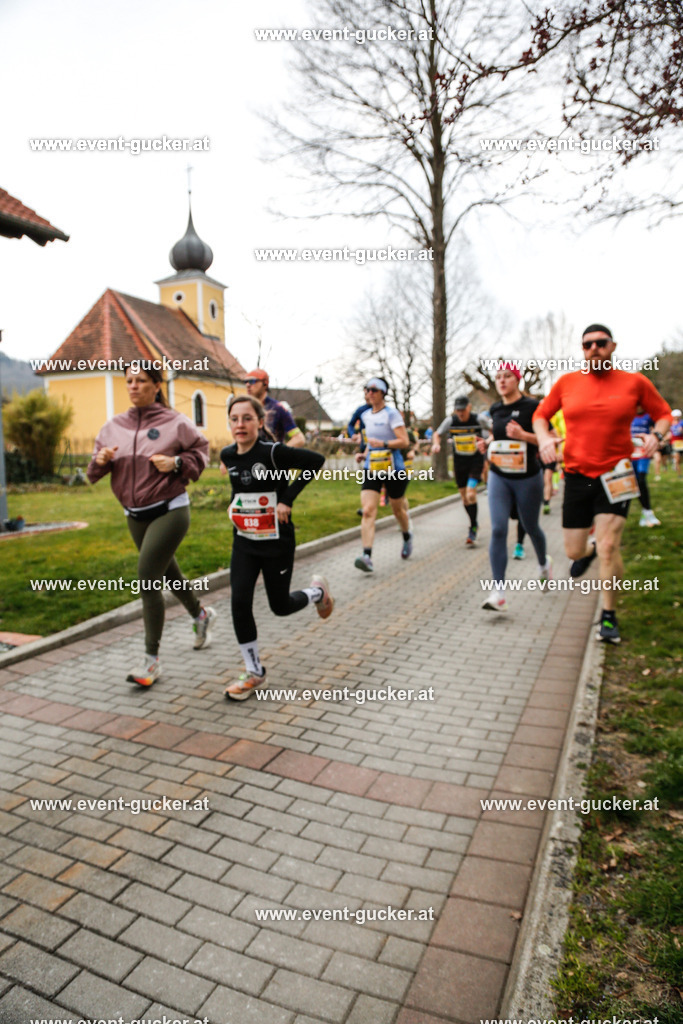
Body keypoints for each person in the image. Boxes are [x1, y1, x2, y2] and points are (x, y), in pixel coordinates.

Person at [533, 324, 671, 644]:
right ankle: (590, 550)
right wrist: (543, 438)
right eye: (587, 345)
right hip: (578, 476)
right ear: (582, 350)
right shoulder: (567, 383)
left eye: (600, 343)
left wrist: (658, 435)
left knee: (610, 546)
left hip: (617, 474)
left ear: (612, 346)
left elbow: (663, 413)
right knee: (574, 550)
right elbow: (541, 415)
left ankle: (608, 617)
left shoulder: (634, 382)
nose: (594, 348)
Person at [87, 364, 214, 687]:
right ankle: (200, 615)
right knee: (167, 572)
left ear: (156, 386)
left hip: (170, 509)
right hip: (134, 514)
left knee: (148, 578)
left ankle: (151, 662)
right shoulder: (113, 426)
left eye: (140, 381)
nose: (133, 386)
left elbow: (201, 451)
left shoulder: (175, 422)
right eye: (129, 381)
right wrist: (99, 461)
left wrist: (177, 463)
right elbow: (94, 470)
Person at [221, 395, 333, 700]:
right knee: (239, 602)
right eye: (234, 419)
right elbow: (241, 488)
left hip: (277, 541)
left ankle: (317, 593)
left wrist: (287, 499)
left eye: (247, 418)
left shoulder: (273, 453)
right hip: (244, 540)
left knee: (280, 606)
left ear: (259, 422)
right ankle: (254, 671)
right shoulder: (228, 455)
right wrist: (236, 507)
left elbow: (316, 462)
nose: (240, 424)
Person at [476, 363, 552, 611]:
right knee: (498, 529)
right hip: (500, 475)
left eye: (507, 376)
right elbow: (498, 436)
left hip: (527, 477)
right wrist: (487, 443)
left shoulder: (533, 407)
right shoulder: (496, 408)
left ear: (517, 380)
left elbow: (548, 439)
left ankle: (543, 563)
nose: (502, 381)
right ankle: (498, 593)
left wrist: (524, 436)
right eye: (498, 377)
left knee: (531, 526)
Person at [354, 377, 413, 572]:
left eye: (373, 389)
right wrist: (364, 454)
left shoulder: (392, 414)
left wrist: (385, 445)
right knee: (369, 510)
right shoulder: (366, 415)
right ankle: (367, 556)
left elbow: (404, 441)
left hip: (394, 468)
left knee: (398, 511)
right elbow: (371, 442)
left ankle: (406, 535)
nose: (369, 393)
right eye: (367, 389)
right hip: (372, 468)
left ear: (382, 393)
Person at [430, 395, 487, 546]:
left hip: (475, 461)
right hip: (459, 462)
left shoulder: (478, 419)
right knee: (464, 498)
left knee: (470, 493)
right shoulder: (451, 421)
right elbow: (437, 433)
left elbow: (495, 430)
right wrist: (436, 444)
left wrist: (487, 442)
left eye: (463, 410)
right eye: (458, 410)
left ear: (469, 407)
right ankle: (473, 522)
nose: (461, 413)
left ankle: (473, 527)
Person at [245, 368, 305, 447]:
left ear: (265, 383)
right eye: (245, 382)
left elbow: (299, 439)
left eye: (252, 381)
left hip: (268, 456)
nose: (248, 385)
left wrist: (278, 453)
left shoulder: (277, 408)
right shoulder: (244, 408)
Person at [630, 412, 661, 527]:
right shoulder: (627, 413)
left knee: (642, 480)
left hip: (643, 453)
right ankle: (645, 512)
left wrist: (656, 439)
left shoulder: (648, 416)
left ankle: (647, 512)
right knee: (634, 484)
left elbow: (659, 426)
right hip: (630, 454)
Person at [669, 408, 683, 476]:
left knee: (680, 459)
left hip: (681, 442)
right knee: (677, 459)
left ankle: (675, 464)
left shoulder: (682, 422)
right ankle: (679, 474)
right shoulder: (670, 423)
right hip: (675, 443)